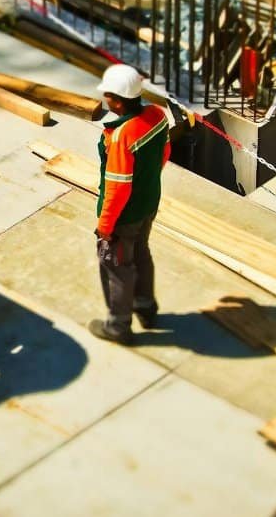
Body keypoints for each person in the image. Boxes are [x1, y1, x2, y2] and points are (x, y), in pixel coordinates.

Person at [89, 64, 171, 345]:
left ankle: (118, 327)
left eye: (108, 96)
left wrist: (105, 225)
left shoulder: (123, 134)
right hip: (148, 204)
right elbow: (165, 152)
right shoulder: (157, 116)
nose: (105, 100)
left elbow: (117, 187)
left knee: (116, 265)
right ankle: (146, 309)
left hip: (125, 215)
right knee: (141, 254)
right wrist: (147, 184)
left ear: (118, 100)